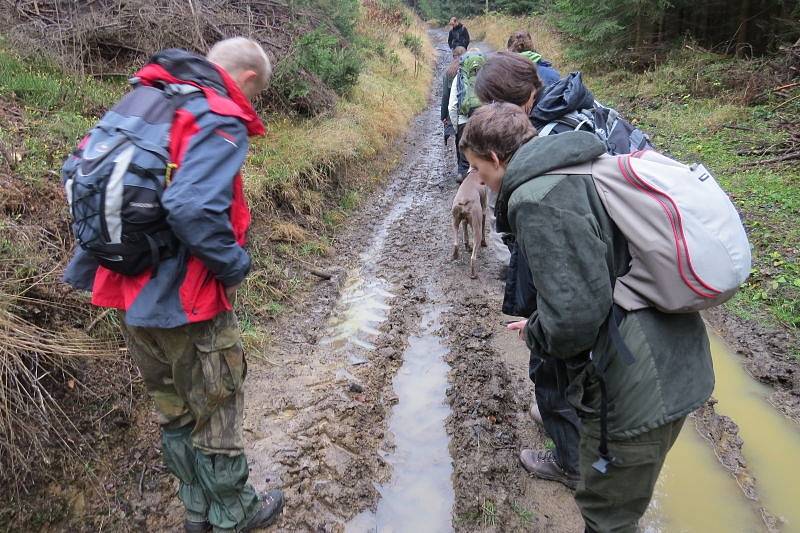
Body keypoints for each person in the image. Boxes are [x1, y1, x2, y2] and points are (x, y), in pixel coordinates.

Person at [459, 102, 714, 533]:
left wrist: (540, 333)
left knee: (607, 515)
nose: (479, 181)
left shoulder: (536, 198)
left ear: (498, 159)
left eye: (478, 170)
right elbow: (587, 285)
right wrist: (544, 319)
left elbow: (574, 319)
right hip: (676, 357)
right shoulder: (578, 165)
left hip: (634, 385)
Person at [63, 38, 284, 533]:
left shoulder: (143, 98)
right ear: (247, 78)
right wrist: (233, 264)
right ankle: (234, 512)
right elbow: (190, 206)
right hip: (189, 298)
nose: (251, 104)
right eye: (256, 94)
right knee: (218, 404)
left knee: (173, 407)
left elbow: (74, 170)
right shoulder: (216, 114)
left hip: (125, 289)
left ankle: (196, 511)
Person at [442, 46, 466, 150]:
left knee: (458, 140)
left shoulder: (449, 72)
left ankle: (460, 163)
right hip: (469, 112)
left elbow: (445, 96)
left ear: (453, 56)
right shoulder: (469, 70)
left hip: (455, 114)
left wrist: (443, 116)